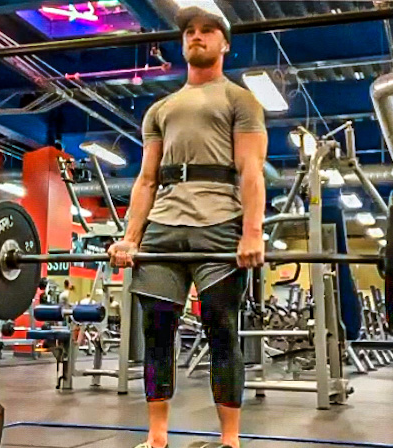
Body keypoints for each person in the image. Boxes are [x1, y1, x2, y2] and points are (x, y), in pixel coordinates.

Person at [107, 6, 267, 448]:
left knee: (222, 330)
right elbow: (146, 179)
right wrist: (130, 238)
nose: (196, 36)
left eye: (207, 31)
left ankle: (230, 440)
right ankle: (157, 438)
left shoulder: (240, 100)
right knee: (156, 333)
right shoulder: (159, 109)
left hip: (219, 223)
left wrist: (252, 232)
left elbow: (250, 171)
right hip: (163, 225)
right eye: (190, 31)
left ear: (224, 43)